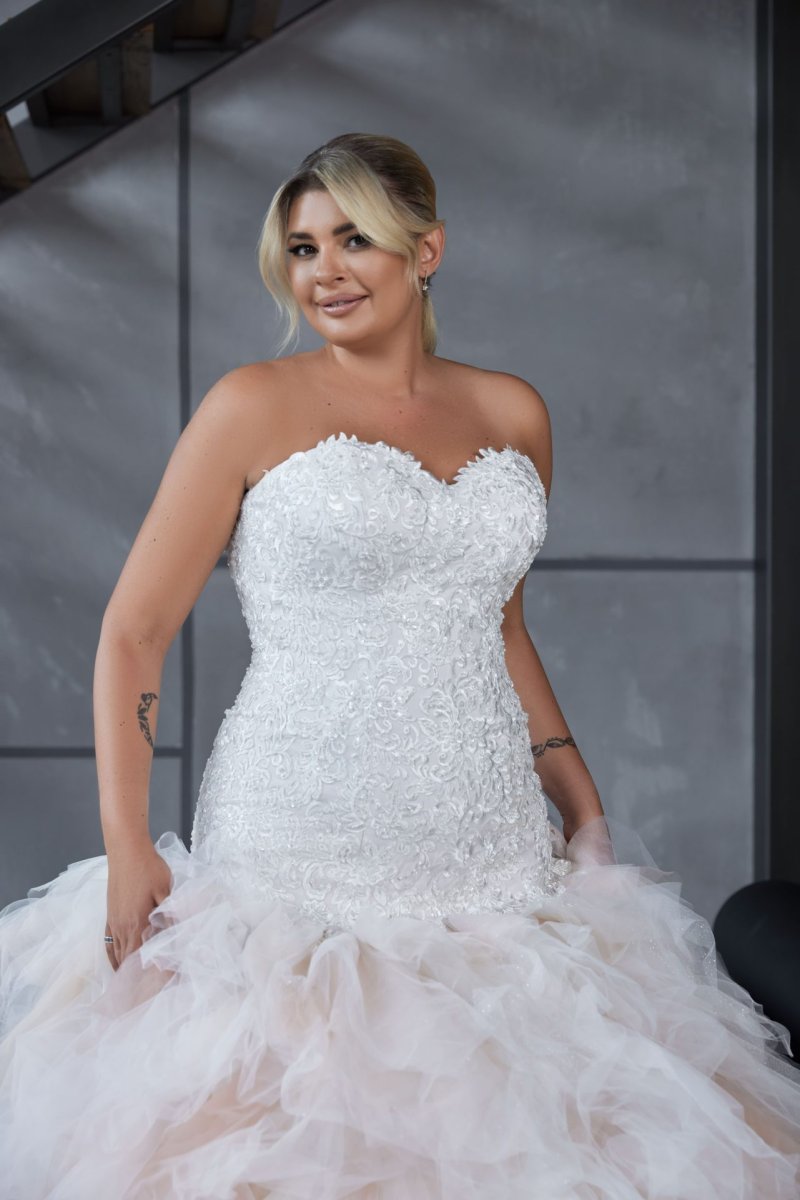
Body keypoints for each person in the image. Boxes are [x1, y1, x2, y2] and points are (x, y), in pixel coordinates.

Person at [1, 131, 798, 1199]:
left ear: (425, 251)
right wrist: (126, 841)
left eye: (354, 240)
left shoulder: (513, 412)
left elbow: (499, 626)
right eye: (301, 248)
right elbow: (134, 631)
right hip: (296, 857)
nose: (322, 271)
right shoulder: (250, 404)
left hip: (491, 857)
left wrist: (579, 795)